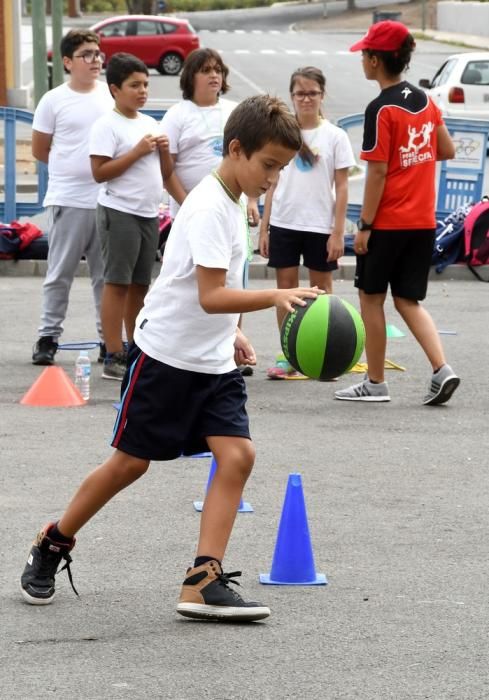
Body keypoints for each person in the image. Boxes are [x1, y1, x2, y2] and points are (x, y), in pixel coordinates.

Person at [20, 95, 324, 622]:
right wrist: (273, 298)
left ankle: (202, 579)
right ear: (236, 150)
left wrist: (232, 333)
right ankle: (53, 540)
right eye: (268, 165)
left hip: (212, 363)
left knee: (238, 456)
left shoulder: (235, 200)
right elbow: (210, 294)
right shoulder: (208, 205)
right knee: (130, 464)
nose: (273, 178)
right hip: (165, 358)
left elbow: (218, 290)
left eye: (279, 168)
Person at [334, 21, 460, 405]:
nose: (361, 60)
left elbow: (378, 170)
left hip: (388, 222)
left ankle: (375, 383)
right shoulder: (425, 101)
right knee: (408, 300)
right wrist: (416, 159)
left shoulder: (380, 108)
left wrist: (366, 226)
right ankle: (442, 369)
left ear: (375, 60)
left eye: (364, 55)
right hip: (423, 221)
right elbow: (446, 149)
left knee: (371, 298)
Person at [161, 48, 259, 377]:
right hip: (194, 211)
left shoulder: (233, 112)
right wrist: (188, 202)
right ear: (191, 77)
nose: (214, 76)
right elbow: (167, 168)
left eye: (218, 70)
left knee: (234, 280)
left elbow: (251, 165)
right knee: (200, 284)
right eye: (206, 70)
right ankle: (191, 349)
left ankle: (231, 346)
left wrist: (252, 202)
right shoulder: (178, 114)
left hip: (232, 209)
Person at [259, 66, 355, 379]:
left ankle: (324, 352)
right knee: (284, 291)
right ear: (292, 96)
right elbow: (270, 182)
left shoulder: (335, 136)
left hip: (319, 226)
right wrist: (264, 226)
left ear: (322, 95)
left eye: (312, 93)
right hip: (285, 223)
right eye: (300, 93)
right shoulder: (281, 134)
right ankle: (289, 356)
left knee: (321, 292)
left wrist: (337, 232)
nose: (306, 99)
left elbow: (342, 187)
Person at [31, 30, 113, 366]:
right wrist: (72, 169)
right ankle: (48, 337)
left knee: (105, 277)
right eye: (87, 55)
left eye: (98, 54)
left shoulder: (109, 96)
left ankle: (109, 341)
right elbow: (39, 148)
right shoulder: (54, 100)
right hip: (68, 199)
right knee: (60, 272)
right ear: (67, 62)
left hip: (106, 200)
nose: (95, 60)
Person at [89, 53, 170, 381]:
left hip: (148, 214)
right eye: (134, 85)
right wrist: (136, 151)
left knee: (140, 285)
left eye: (146, 85)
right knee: (117, 283)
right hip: (118, 212)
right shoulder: (106, 125)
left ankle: (137, 347)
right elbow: (99, 172)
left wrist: (164, 150)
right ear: (114, 89)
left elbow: (165, 174)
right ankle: (114, 352)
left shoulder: (150, 123)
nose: (142, 91)